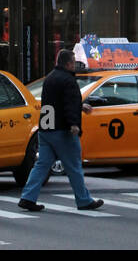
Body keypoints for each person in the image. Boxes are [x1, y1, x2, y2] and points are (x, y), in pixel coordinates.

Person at [18, 49, 104, 213]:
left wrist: (80, 106)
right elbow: (68, 104)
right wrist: (74, 124)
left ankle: (27, 198)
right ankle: (84, 200)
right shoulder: (69, 80)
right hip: (62, 130)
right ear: (68, 63)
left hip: (46, 128)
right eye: (73, 62)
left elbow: (56, 103)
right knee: (74, 166)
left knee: (41, 165)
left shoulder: (50, 78)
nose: (75, 65)